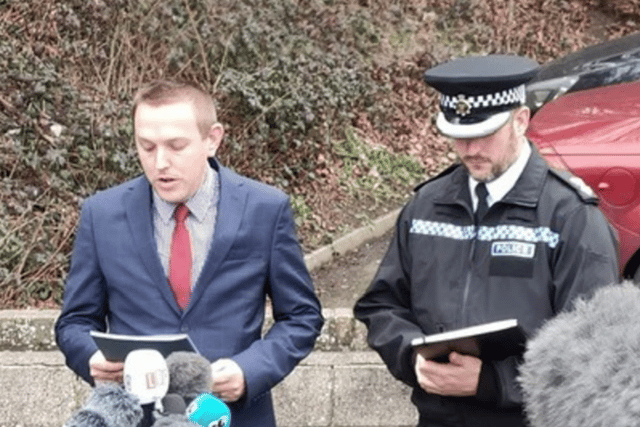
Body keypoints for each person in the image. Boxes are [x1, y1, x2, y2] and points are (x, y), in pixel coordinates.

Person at [353, 54, 619, 427]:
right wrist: (411, 358)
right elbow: (382, 305)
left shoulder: (571, 216)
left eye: (484, 134)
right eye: (459, 136)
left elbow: (598, 348)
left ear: (520, 120)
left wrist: (493, 382)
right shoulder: (427, 206)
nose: (470, 150)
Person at [55, 80, 324, 427]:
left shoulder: (265, 209)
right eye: (146, 146)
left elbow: (301, 316)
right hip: (137, 418)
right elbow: (75, 322)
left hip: (232, 416)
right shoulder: (101, 214)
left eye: (176, 146)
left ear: (212, 139)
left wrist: (249, 370)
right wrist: (90, 357)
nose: (160, 162)